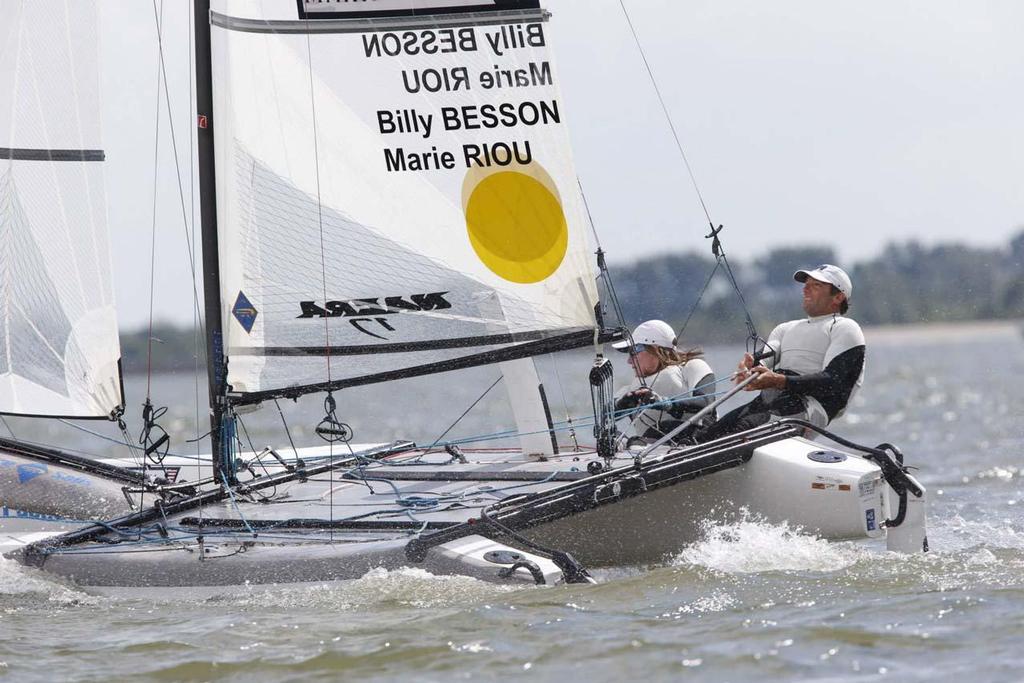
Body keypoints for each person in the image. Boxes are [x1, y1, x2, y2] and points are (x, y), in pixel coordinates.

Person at [694, 264, 865, 442]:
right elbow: (765, 358)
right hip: (769, 402)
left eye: (816, 286)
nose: (805, 288)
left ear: (838, 297)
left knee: (740, 431)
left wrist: (779, 381)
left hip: (806, 409)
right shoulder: (785, 328)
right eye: (806, 283)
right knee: (706, 435)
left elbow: (832, 382)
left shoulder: (845, 328)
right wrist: (749, 368)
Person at [612, 319, 717, 443]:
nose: (629, 361)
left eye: (633, 352)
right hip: (652, 451)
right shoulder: (631, 390)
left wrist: (666, 403)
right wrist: (621, 406)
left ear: (655, 349)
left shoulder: (692, 367)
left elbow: (706, 402)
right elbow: (605, 417)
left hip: (699, 440)